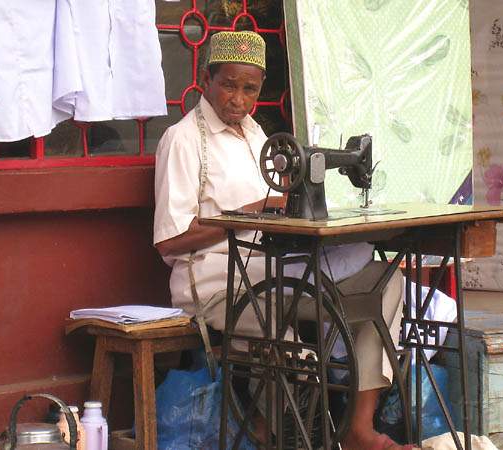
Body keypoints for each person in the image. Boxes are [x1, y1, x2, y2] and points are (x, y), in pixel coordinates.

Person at [153, 30, 410, 450]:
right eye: (228, 85)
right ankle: (287, 435)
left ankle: (358, 428)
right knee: (287, 347)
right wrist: (250, 213)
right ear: (207, 79)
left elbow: (277, 204)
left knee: (384, 282)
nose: (237, 98)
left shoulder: (257, 136)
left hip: (273, 272)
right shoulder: (182, 140)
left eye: (249, 89)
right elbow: (170, 242)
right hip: (219, 283)